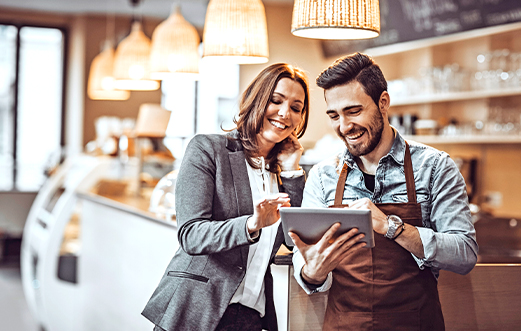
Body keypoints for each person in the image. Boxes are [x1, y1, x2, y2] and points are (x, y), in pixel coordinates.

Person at [289, 53, 478, 331]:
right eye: (334, 115)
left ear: (383, 103)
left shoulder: (436, 167)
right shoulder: (322, 176)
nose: (344, 126)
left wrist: (392, 227)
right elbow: (306, 261)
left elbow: (464, 254)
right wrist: (311, 273)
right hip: (344, 324)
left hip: (415, 323)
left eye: (353, 111)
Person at [142, 63, 310, 331]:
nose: (284, 113)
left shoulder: (286, 171)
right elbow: (191, 234)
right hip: (197, 311)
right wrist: (251, 224)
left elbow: (295, 239)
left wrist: (291, 170)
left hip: (251, 317)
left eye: (295, 108)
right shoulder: (208, 149)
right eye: (275, 101)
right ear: (256, 99)